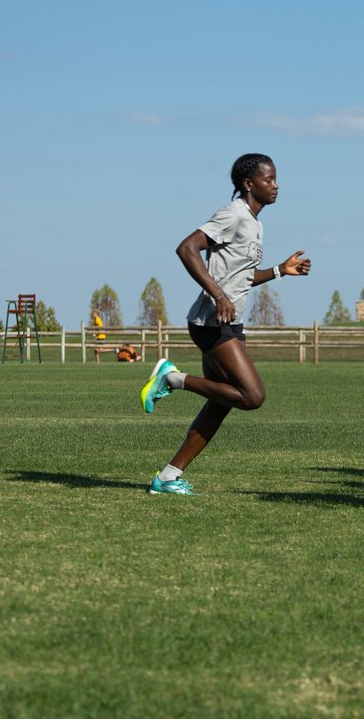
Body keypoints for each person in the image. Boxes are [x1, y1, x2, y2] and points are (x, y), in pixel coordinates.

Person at [138, 153, 312, 495]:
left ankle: (168, 477)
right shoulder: (233, 215)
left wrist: (280, 270)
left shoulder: (255, 222)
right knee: (252, 396)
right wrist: (218, 295)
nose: (276, 185)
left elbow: (241, 277)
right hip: (212, 322)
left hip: (229, 322)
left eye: (276, 179)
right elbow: (187, 248)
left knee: (221, 402)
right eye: (269, 179)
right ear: (249, 184)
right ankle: (172, 378)